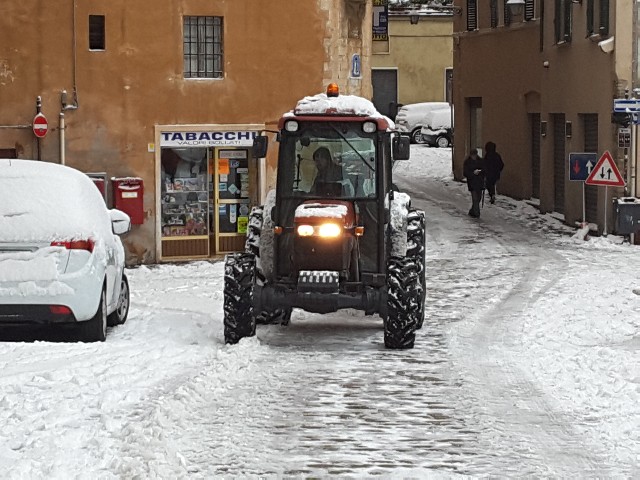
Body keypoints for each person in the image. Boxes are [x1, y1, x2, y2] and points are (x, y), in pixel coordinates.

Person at [463, 148, 485, 218]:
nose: (474, 157)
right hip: (472, 183)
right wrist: (473, 173)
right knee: (475, 198)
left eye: (475, 155)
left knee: (478, 198)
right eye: (473, 155)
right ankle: (477, 214)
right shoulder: (467, 162)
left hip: (480, 182)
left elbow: (484, 170)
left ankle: (472, 211)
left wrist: (480, 172)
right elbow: (465, 173)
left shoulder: (481, 161)